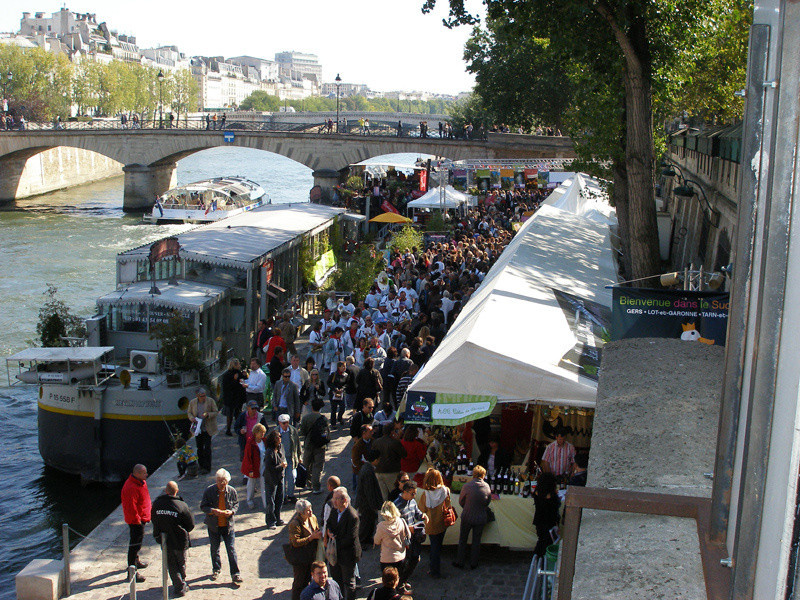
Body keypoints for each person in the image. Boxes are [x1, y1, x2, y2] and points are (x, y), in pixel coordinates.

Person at [151, 481, 195, 597]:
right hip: (179, 540)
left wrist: (157, 535)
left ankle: (178, 584)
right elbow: (190, 525)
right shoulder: (182, 506)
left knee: (171, 564)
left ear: (166, 491)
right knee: (181, 563)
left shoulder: (157, 504)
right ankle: (181, 585)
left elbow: (154, 520)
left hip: (165, 540)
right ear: (177, 491)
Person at [200, 469, 242, 585]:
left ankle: (235, 573)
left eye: (223, 481)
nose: (221, 483)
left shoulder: (232, 491)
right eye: (218, 481)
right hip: (214, 526)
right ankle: (216, 569)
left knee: (231, 550)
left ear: (227, 481)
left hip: (228, 526)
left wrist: (232, 512)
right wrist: (213, 511)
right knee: (215, 549)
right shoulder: (209, 491)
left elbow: (236, 504)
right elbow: (203, 506)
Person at [454, 464, 491, 570]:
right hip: (480, 517)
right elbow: (487, 502)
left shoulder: (467, 486)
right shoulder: (487, 486)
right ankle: (474, 562)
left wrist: (467, 507)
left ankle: (460, 561)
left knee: (463, 539)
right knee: (476, 541)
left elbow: (461, 501)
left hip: (468, 516)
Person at [327, 487, 361, 600]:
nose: (334, 501)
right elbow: (329, 523)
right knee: (336, 582)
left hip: (347, 555)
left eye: (336, 499)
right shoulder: (334, 510)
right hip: (336, 554)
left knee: (349, 583)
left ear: (345, 500)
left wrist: (335, 543)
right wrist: (329, 532)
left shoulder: (352, 516)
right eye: (333, 498)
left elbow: (350, 538)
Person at [418, 467, 452, 579]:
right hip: (442, 522)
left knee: (434, 546)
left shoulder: (426, 495)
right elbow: (448, 505)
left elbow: (421, 509)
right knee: (438, 545)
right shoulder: (445, 491)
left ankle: (434, 569)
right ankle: (435, 567)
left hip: (431, 524)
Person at [289, 500, 324, 600]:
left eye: (310, 509)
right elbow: (295, 542)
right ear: (301, 513)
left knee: (309, 579)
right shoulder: (295, 524)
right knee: (299, 581)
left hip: (311, 555)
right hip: (300, 557)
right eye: (308, 511)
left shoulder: (312, 518)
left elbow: (316, 529)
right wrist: (310, 538)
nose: (311, 512)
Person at [121, 464, 151, 582]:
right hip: (136, 521)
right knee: (134, 545)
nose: (146, 475)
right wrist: (137, 520)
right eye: (144, 473)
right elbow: (130, 507)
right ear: (137, 473)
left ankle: (136, 561)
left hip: (142, 517)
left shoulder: (141, 482)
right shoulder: (131, 487)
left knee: (138, 543)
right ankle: (131, 571)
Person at [393, 481, 425, 591]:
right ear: (405, 492)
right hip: (401, 540)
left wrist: (423, 516)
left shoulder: (412, 501)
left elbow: (417, 513)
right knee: (403, 562)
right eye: (412, 494)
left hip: (412, 537)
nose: (414, 496)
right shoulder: (396, 506)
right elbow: (394, 525)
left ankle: (403, 580)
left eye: (415, 494)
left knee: (415, 558)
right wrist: (407, 528)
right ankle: (400, 583)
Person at [299, 398, 329, 494]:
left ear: (312, 407)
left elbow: (302, 432)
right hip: (320, 446)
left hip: (308, 445)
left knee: (307, 464)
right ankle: (316, 487)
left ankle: (308, 484)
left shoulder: (306, 418)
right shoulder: (323, 418)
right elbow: (327, 433)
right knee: (317, 466)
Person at [355, 449, 383, 548]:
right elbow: (369, 490)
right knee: (365, 523)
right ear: (375, 460)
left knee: (370, 522)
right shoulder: (368, 471)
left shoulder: (367, 469)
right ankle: (361, 541)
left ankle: (367, 538)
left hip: (366, 502)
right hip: (365, 503)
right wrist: (373, 505)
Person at [187, 387, 218, 474]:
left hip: (207, 428)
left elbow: (216, 412)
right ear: (197, 396)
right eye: (201, 396)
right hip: (198, 429)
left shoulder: (210, 401)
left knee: (207, 448)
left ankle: (207, 467)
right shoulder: (193, 402)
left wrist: (208, 414)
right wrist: (192, 418)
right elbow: (189, 412)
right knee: (199, 448)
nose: (203, 397)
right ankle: (201, 465)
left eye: (204, 395)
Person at [373, 501, 410, 574]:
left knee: (388, 580)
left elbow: (376, 541)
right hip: (400, 556)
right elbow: (408, 535)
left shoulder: (381, 526)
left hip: (387, 558)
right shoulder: (401, 521)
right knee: (399, 577)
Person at [373, 425, 407, 500]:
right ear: (392, 432)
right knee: (394, 495)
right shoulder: (395, 442)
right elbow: (404, 454)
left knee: (384, 496)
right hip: (391, 472)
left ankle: (385, 510)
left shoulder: (376, 442)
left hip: (378, 471)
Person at [532, 472, 561, 557]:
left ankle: (537, 557)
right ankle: (542, 558)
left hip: (540, 521)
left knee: (541, 541)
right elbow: (554, 512)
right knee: (547, 542)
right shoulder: (552, 497)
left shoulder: (537, 493)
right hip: (549, 523)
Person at [264, 429, 288, 529]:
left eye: (280, 437)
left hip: (280, 477)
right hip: (271, 479)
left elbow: (283, 458)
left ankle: (278, 518)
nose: (279, 439)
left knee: (279, 499)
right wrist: (281, 466)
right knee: (271, 501)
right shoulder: (269, 452)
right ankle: (270, 521)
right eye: (277, 437)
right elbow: (269, 468)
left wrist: (283, 464)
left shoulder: (280, 447)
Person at [240, 423, 267, 509]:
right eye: (261, 432)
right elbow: (248, 457)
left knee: (264, 485)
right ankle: (249, 500)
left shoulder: (265, 441)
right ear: (256, 433)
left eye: (263, 432)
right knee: (251, 485)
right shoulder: (250, 442)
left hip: (263, 466)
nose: (262, 434)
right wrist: (250, 470)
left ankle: (266, 504)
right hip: (254, 466)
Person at [277, 413, 302, 503]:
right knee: (282, 479)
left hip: (291, 458)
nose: (285, 425)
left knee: (292, 477)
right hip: (280, 460)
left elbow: (297, 443)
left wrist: (299, 456)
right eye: (283, 423)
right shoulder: (276, 432)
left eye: (287, 422)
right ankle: (283, 497)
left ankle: (290, 494)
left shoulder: (293, 430)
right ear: (279, 423)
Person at [221, 358, 246, 435]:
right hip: (231, 397)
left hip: (237, 397)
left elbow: (242, 382)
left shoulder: (237, 373)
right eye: (238, 364)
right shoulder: (228, 375)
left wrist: (245, 376)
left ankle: (236, 428)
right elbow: (227, 387)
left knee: (236, 413)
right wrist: (235, 380)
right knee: (231, 414)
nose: (240, 365)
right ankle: (229, 429)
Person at [351, 424, 374, 491]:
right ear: (364, 433)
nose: (372, 433)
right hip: (360, 472)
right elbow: (355, 461)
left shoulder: (373, 441)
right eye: (370, 431)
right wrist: (368, 465)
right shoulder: (357, 446)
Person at [327, 361, 349, 428]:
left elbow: (347, 384)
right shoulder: (333, 374)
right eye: (343, 366)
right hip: (333, 394)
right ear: (339, 367)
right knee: (334, 409)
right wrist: (335, 388)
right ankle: (333, 423)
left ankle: (340, 418)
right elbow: (328, 383)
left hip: (342, 394)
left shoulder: (346, 375)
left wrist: (342, 388)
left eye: (345, 366)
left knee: (343, 407)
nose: (344, 368)